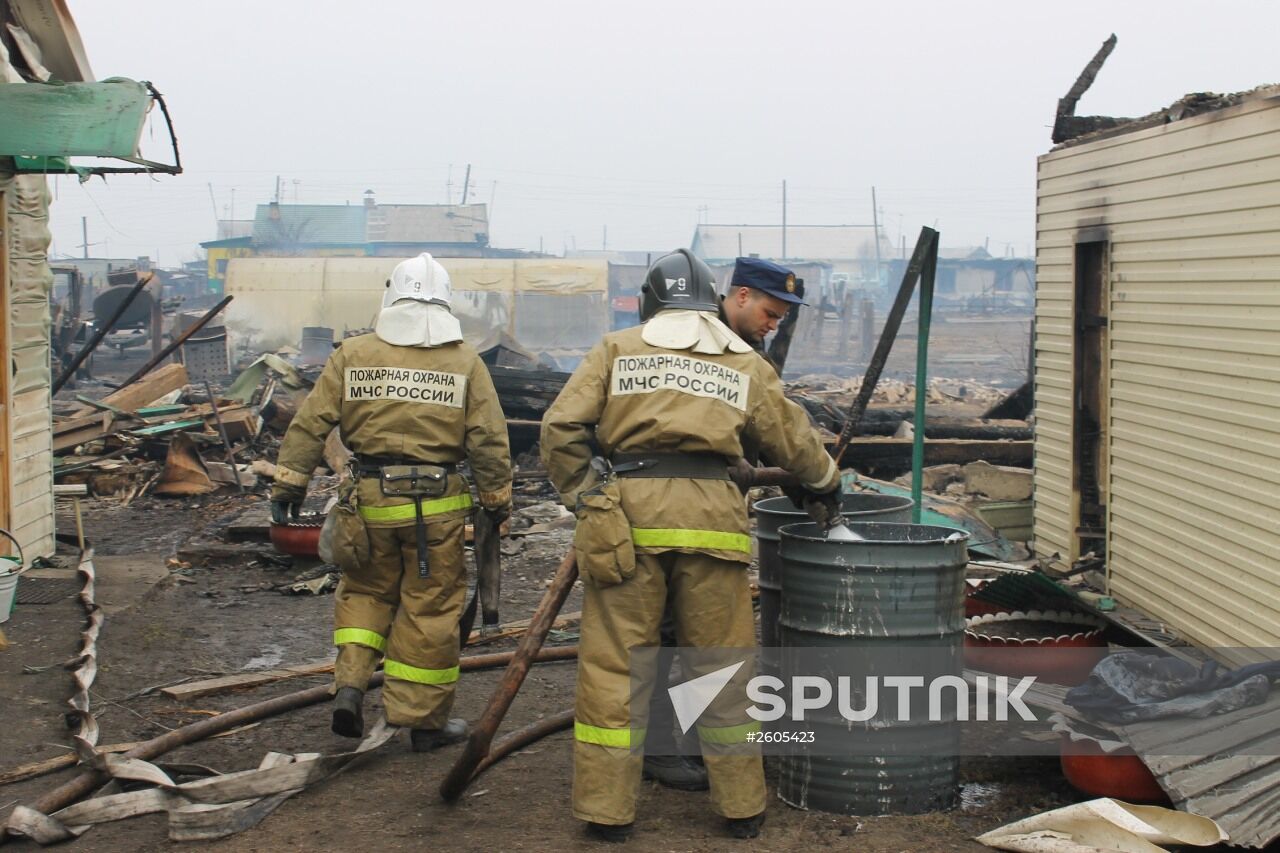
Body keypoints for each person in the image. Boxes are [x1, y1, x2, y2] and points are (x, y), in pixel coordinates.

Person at [541, 249, 841, 843]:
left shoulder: (616, 349)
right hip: (711, 525)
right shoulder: (741, 361)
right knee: (724, 666)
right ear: (713, 300)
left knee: (614, 669)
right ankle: (741, 808)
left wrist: (590, 500)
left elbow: (560, 430)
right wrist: (825, 485)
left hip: (626, 524)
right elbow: (793, 437)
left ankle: (606, 813)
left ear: (652, 303)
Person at [270, 253, 512, 751]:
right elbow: (488, 438)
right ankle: (422, 722)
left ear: (391, 295)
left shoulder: (351, 354)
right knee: (429, 611)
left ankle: (351, 688)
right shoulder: (465, 360)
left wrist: (288, 485)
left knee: (365, 594)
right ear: (444, 301)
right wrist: (495, 499)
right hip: (436, 511)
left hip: (369, 505)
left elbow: (311, 421)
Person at [641, 255, 806, 791]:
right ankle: (659, 750)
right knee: (667, 635)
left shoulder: (744, 350)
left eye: (781, 318)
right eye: (769, 312)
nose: (772, 323)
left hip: (696, 507)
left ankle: (685, 741)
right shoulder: (683, 333)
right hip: (661, 507)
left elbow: (759, 430)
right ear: (738, 297)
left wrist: (789, 480)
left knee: (701, 638)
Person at [718, 256, 805, 355]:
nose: (773, 326)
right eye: (770, 314)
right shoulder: (700, 332)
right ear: (743, 296)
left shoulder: (751, 338)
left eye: (778, 319)